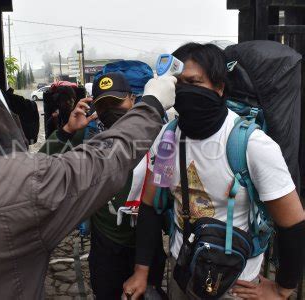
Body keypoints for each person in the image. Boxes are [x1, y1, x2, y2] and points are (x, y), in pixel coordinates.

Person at [0, 14, 176, 299]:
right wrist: (151, 106)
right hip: (107, 242)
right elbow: (92, 164)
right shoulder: (1, 188)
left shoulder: (165, 138)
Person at [123, 43, 305, 299]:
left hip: (236, 282)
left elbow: (293, 221)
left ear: (219, 88)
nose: (184, 91)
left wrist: (283, 288)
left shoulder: (251, 145)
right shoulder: (168, 139)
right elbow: (151, 205)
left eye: (194, 83)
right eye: (179, 84)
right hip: (182, 269)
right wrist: (141, 271)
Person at [40, 72, 168, 299]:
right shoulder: (90, 136)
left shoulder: (156, 133)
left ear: (133, 100)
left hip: (147, 242)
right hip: (106, 243)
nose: (111, 110)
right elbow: (40, 169)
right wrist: (68, 130)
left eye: (117, 103)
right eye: (104, 105)